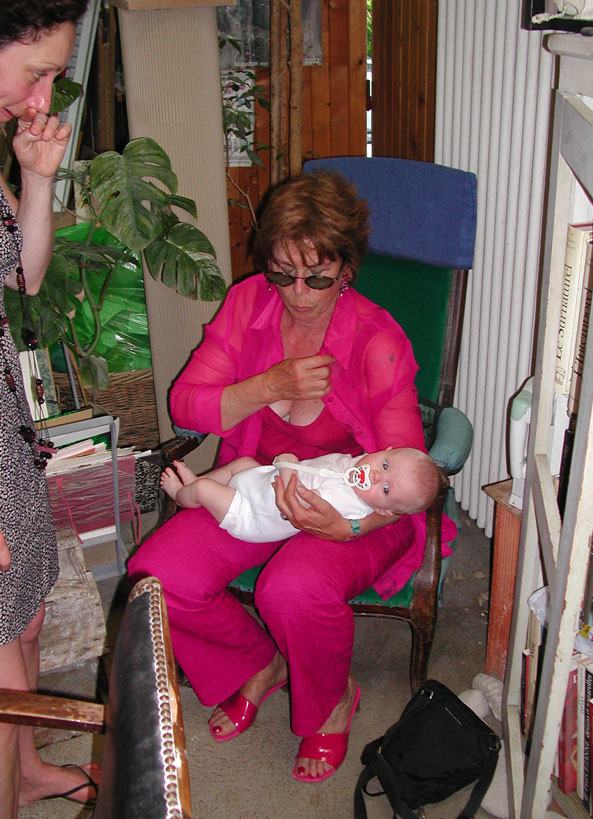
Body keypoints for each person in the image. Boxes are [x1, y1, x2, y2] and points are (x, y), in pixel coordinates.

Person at [129, 169, 457, 783]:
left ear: (347, 269)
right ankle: (259, 665)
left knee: (292, 588)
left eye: (318, 277)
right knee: (158, 574)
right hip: (258, 489)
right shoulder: (248, 303)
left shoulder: (377, 339)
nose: (298, 292)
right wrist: (265, 387)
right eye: (282, 273)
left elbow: (403, 472)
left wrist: (347, 526)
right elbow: (186, 405)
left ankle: (332, 700)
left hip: (362, 506)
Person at [0, 1, 100, 814]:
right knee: (0, 681)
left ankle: (27, 768)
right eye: (39, 73)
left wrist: (36, 179)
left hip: (8, 432)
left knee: (25, 620)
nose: (44, 99)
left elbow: (21, 278)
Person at [160, 446, 440, 542]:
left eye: (386, 489)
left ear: (384, 511)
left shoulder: (348, 504)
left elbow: (296, 499)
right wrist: (283, 467)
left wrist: (286, 463)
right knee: (241, 465)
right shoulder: (354, 462)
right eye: (385, 465)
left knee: (205, 491)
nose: (376, 476)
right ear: (386, 450)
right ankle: (195, 482)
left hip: (251, 512)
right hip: (262, 481)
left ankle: (182, 495)